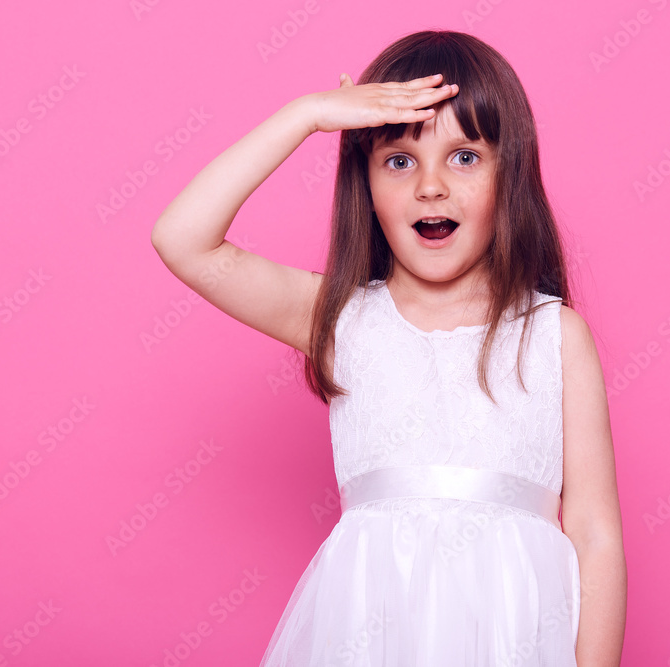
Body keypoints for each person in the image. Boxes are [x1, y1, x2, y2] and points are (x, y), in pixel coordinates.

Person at [152, 29, 626, 667]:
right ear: (366, 184)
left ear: (508, 175)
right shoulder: (342, 320)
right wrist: (309, 115)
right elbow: (183, 239)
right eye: (400, 160)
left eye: (464, 156)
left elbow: (595, 535)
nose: (431, 186)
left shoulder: (552, 336)